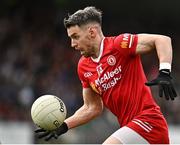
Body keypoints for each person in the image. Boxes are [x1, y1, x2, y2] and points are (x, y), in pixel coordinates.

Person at [35, 6, 178, 144]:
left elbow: (162, 40)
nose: (73, 44)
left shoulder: (119, 45)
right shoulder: (83, 67)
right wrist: (64, 125)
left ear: (92, 32)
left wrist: (164, 72)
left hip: (149, 121)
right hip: (131, 129)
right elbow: (92, 107)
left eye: (76, 36)